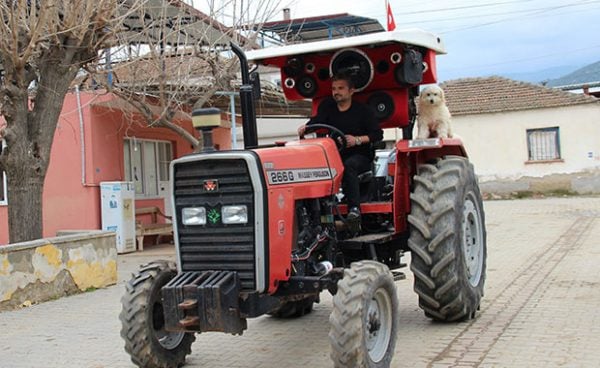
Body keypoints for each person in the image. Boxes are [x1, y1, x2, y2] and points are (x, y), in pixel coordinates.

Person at [298, 73, 383, 221]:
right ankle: (316, 210)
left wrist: (357, 140)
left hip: (360, 155)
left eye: (341, 88)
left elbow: (377, 134)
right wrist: (305, 128)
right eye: (334, 89)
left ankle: (354, 209)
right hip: (336, 154)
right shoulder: (328, 108)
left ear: (351, 91)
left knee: (348, 165)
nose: (336, 92)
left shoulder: (363, 111)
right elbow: (317, 121)